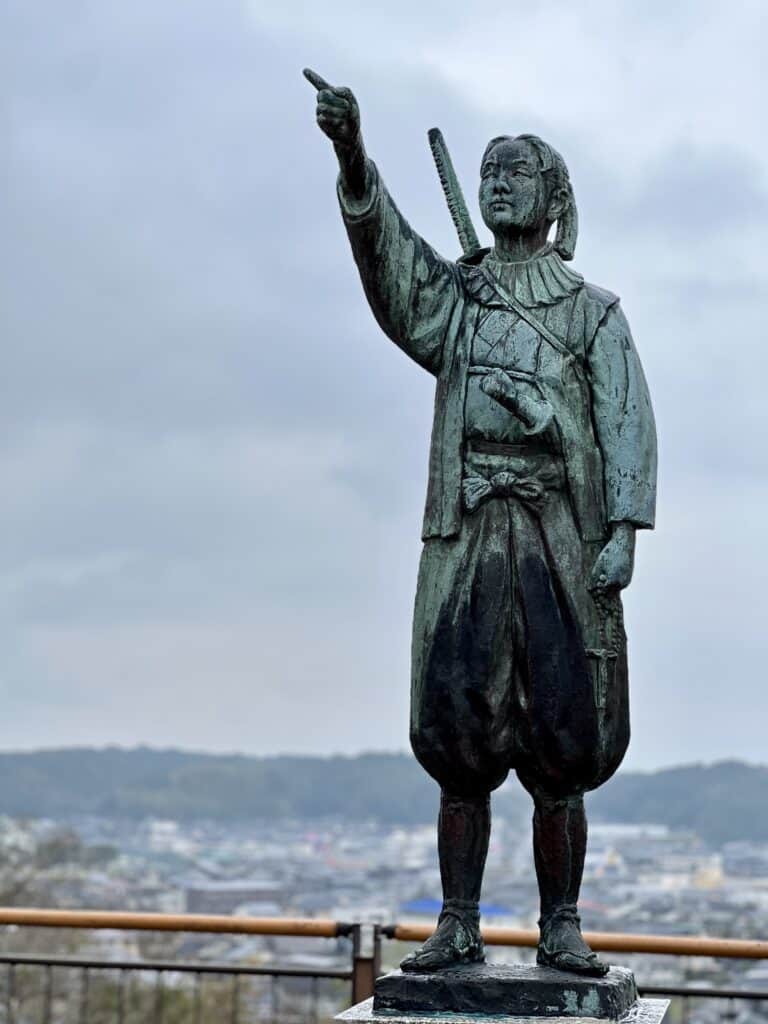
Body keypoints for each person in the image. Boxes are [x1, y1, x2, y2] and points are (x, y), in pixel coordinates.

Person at [304, 69, 657, 977]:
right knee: (459, 727)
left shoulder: (592, 313)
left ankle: (561, 923)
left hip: (558, 534)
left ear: (554, 196)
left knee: (561, 735)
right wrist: (353, 156)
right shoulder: (459, 298)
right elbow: (395, 267)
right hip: (469, 530)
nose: (498, 184)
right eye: (489, 172)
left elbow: (626, 424)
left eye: (517, 173)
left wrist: (621, 531)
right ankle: (457, 919)